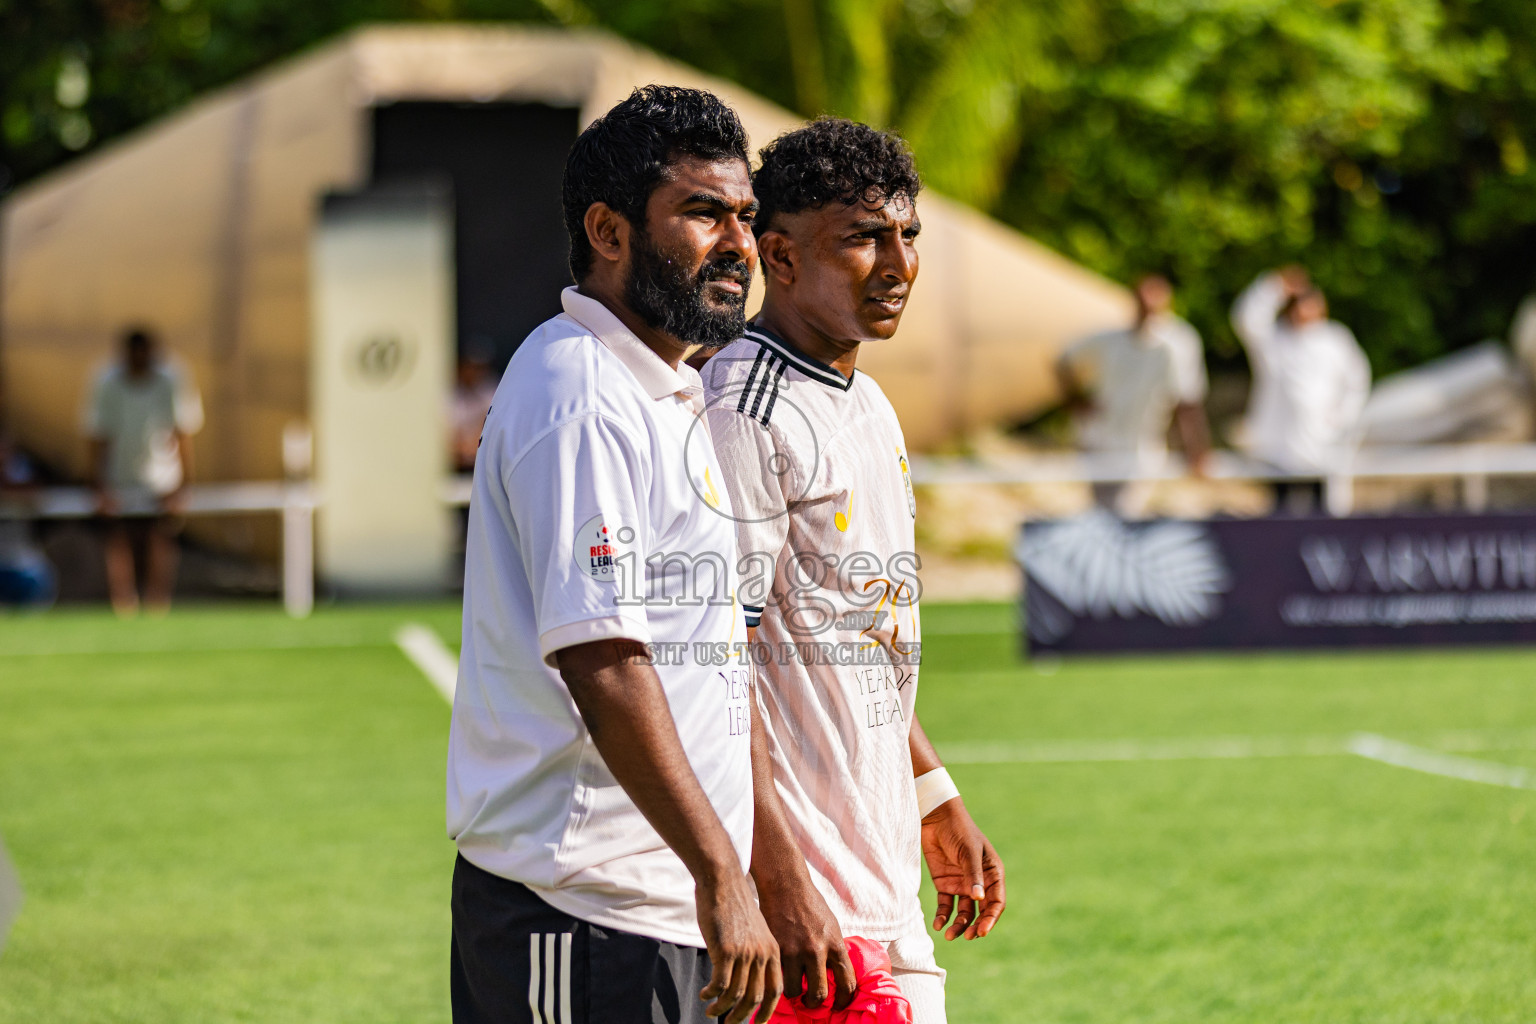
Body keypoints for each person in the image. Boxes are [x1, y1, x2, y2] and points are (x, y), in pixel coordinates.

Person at [446, 86, 786, 1024]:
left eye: (746, 216)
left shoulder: (665, 388)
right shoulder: (581, 393)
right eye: (704, 213)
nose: (739, 244)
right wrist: (723, 875)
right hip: (585, 909)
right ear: (609, 231)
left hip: (657, 904)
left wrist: (745, 870)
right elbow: (604, 660)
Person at [700, 118, 1005, 1024]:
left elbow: (864, 637)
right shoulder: (743, 410)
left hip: (880, 880)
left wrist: (932, 794)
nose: (898, 264)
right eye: (864, 238)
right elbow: (715, 668)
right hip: (806, 901)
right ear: (780, 256)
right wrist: (777, 882)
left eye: (908, 234)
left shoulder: (867, 402)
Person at [1057, 274, 1211, 516]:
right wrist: (1076, 400)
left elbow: (1187, 400)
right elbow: (1063, 359)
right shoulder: (1110, 339)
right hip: (1099, 439)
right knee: (1102, 511)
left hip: (1142, 448)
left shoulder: (1177, 343)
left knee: (1124, 511)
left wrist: (1196, 449)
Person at [83, 327, 204, 616]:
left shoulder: (172, 378)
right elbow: (97, 435)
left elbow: (183, 432)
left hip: (162, 478)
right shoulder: (105, 380)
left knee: (160, 537)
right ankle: (123, 606)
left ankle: (157, 606)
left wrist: (183, 485)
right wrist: (98, 486)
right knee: (118, 540)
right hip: (118, 477)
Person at [1231, 267, 1371, 514]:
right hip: (1279, 450)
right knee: (1280, 513)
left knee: (1324, 512)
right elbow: (1246, 319)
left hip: (1324, 446)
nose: (1303, 310)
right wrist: (1274, 287)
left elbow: (1357, 382)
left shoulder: (1335, 339)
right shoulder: (1275, 340)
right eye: (1297, 304)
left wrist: (1341, 418)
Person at [450, 342, 499, 474]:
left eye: (479, 368)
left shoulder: (491, 390)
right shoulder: (450, 392)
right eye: (471, 366)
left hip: (484, 464)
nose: (475, 372)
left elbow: (493, 430)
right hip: (455, 466)